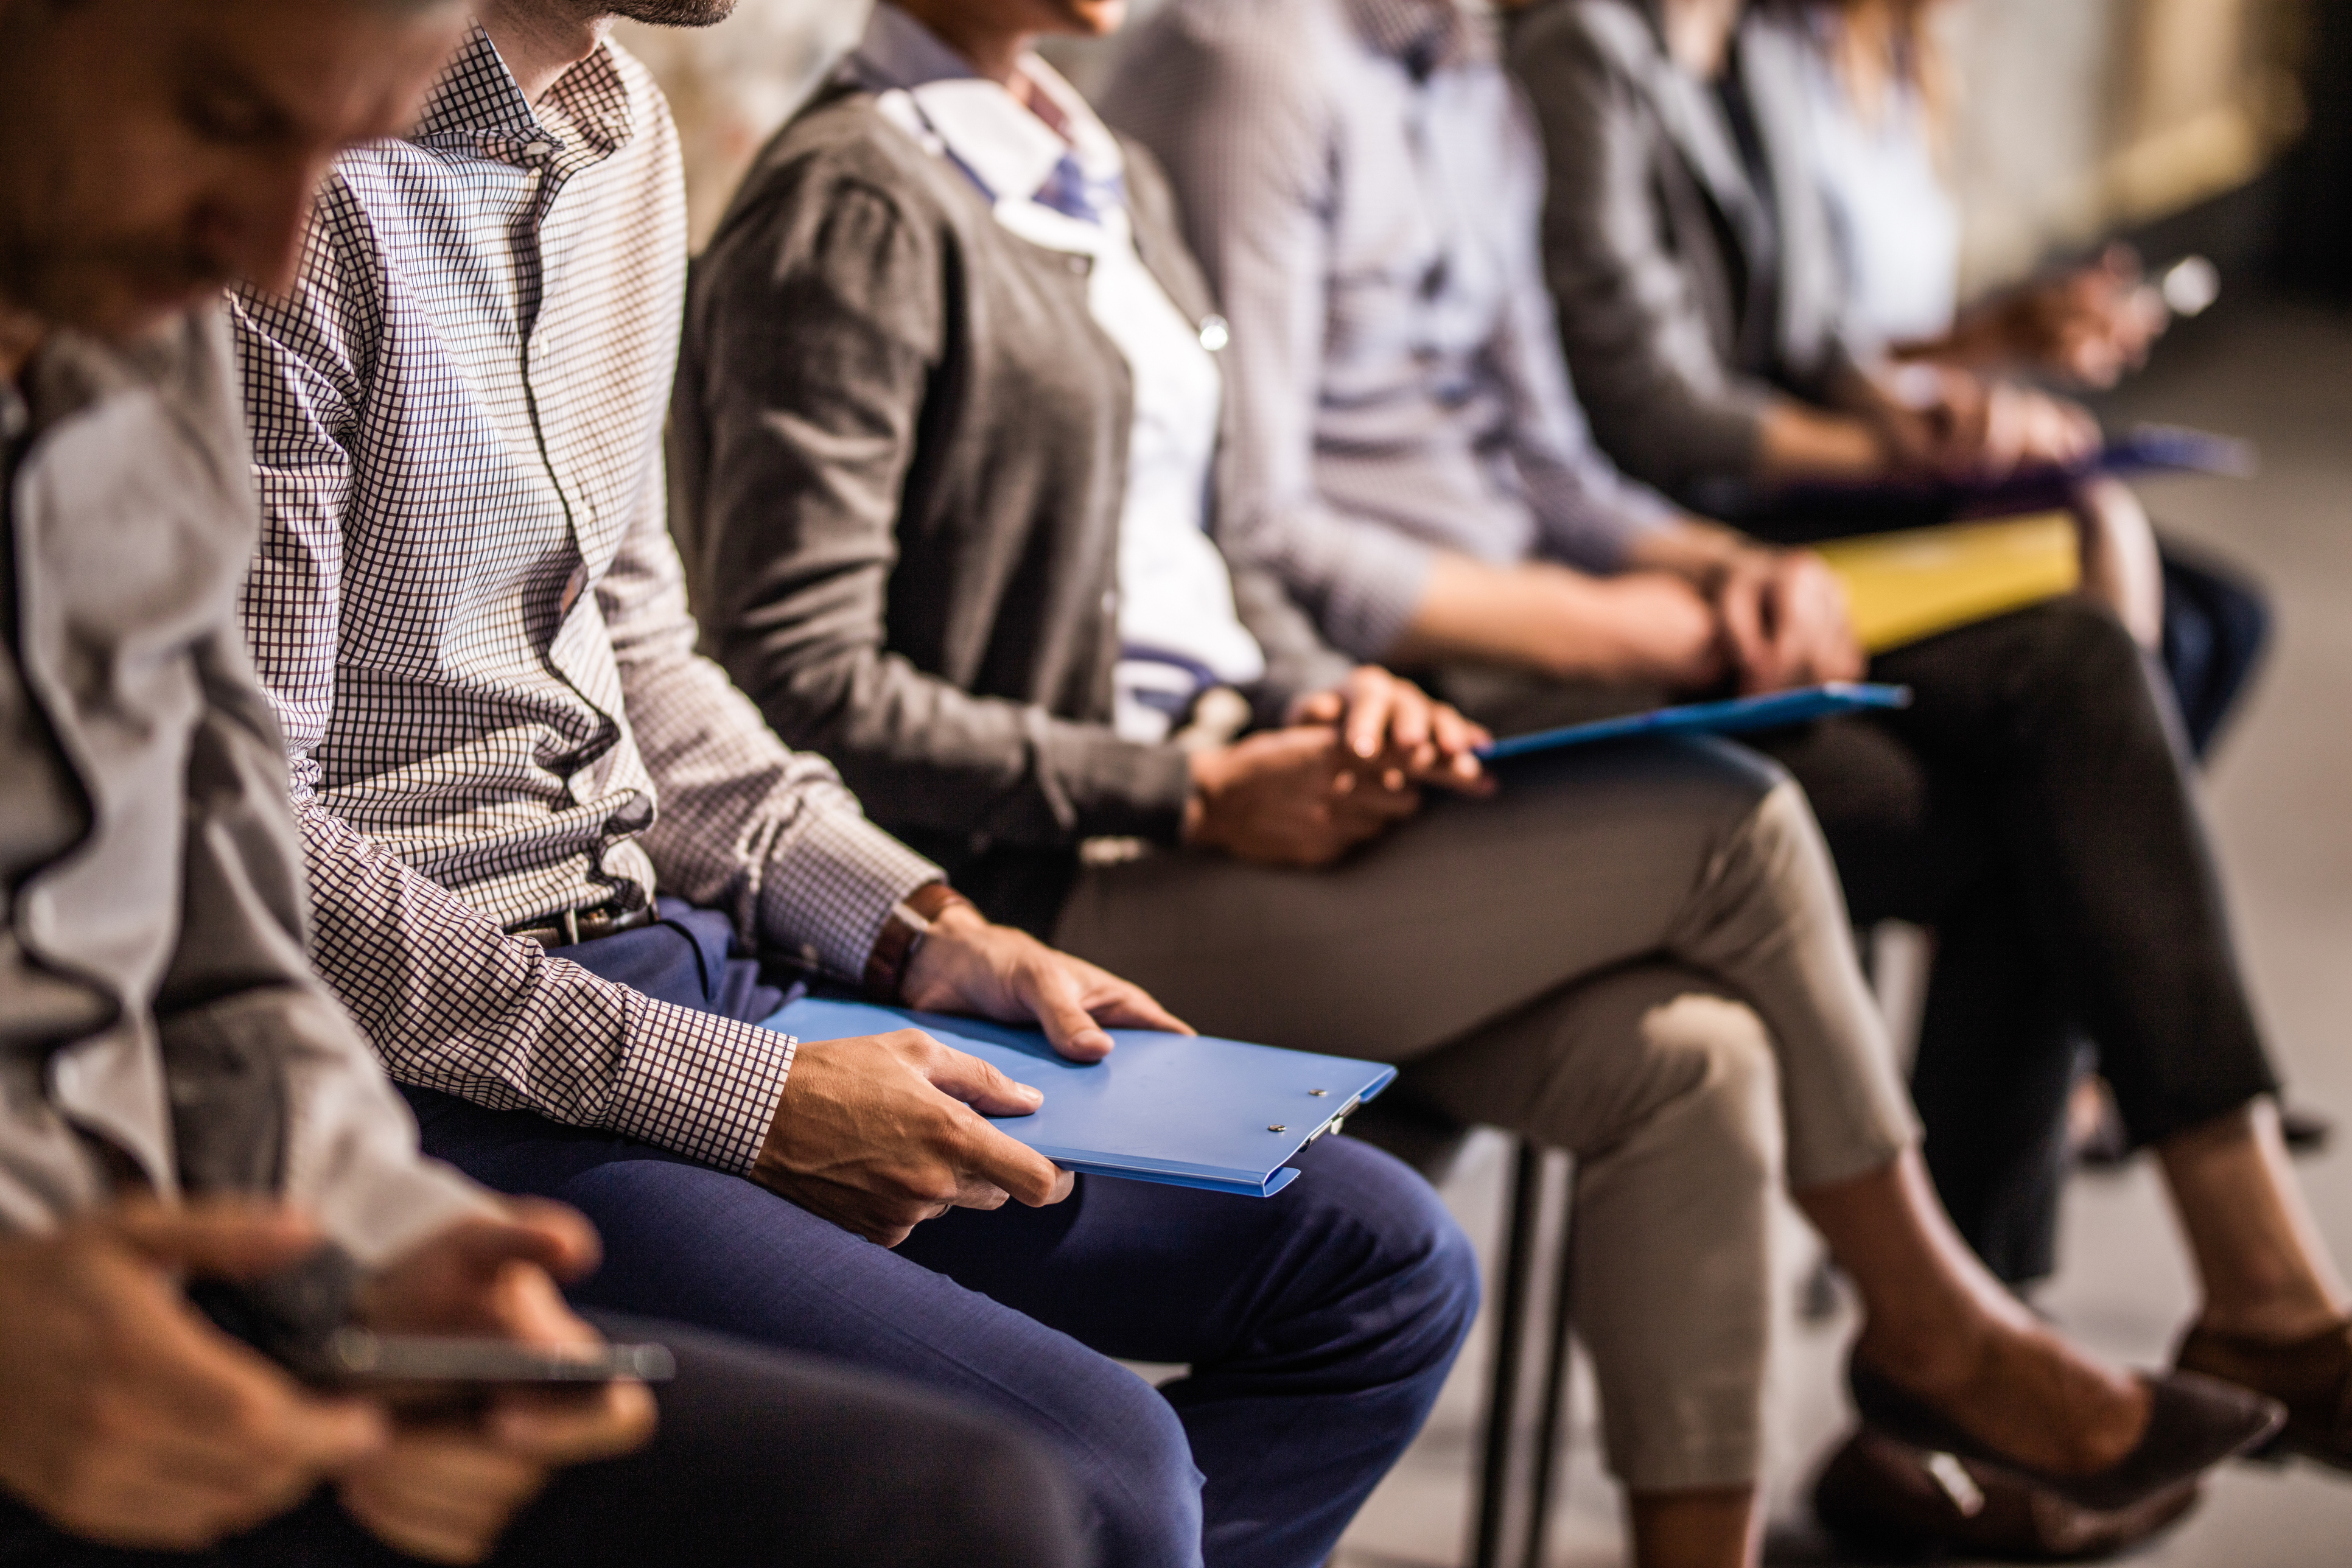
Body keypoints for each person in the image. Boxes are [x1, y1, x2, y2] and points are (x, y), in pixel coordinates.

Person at [667, 4, 2287, 1566]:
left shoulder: (1101, 159)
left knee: (1696, 1061)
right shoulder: (857, 197)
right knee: (1737, 824)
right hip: (1049, 876)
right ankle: (1936, 1320)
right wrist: (1191, 786)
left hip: (1238, 774)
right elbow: (794, 677)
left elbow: (1225, 562)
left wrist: (1336, 694)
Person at [225, 3, 1483, 1564]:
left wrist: (918, 923)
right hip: (445, 1065)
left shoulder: (627, 133)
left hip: (671, 955)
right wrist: (746, 1100)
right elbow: (252, 846)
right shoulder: (301, 181)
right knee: (1106, 1472)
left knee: (1383, 1259)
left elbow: (641, 651)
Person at [1107, 0, 2352, 1503]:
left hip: (1555, 606)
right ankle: (1996, 1364)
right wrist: (1634, 627)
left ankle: (2221, 1293)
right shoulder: (1265, 65)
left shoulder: (1468, 69)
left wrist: (1712, 571)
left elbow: (1558, 456)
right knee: (2047, 799)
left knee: (2079, 678)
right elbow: (1270, 528)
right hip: (1406, 682)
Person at [0, 2, 1087, 1566]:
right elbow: (294, 882)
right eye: (227, 117)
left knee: (1027, 1478)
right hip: (203, 1196)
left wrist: (399, 1257)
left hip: (225, 1205)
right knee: (1000, 1495)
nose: (279, 253)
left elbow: (219, 943)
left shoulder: (146, 358)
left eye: (345, 153)